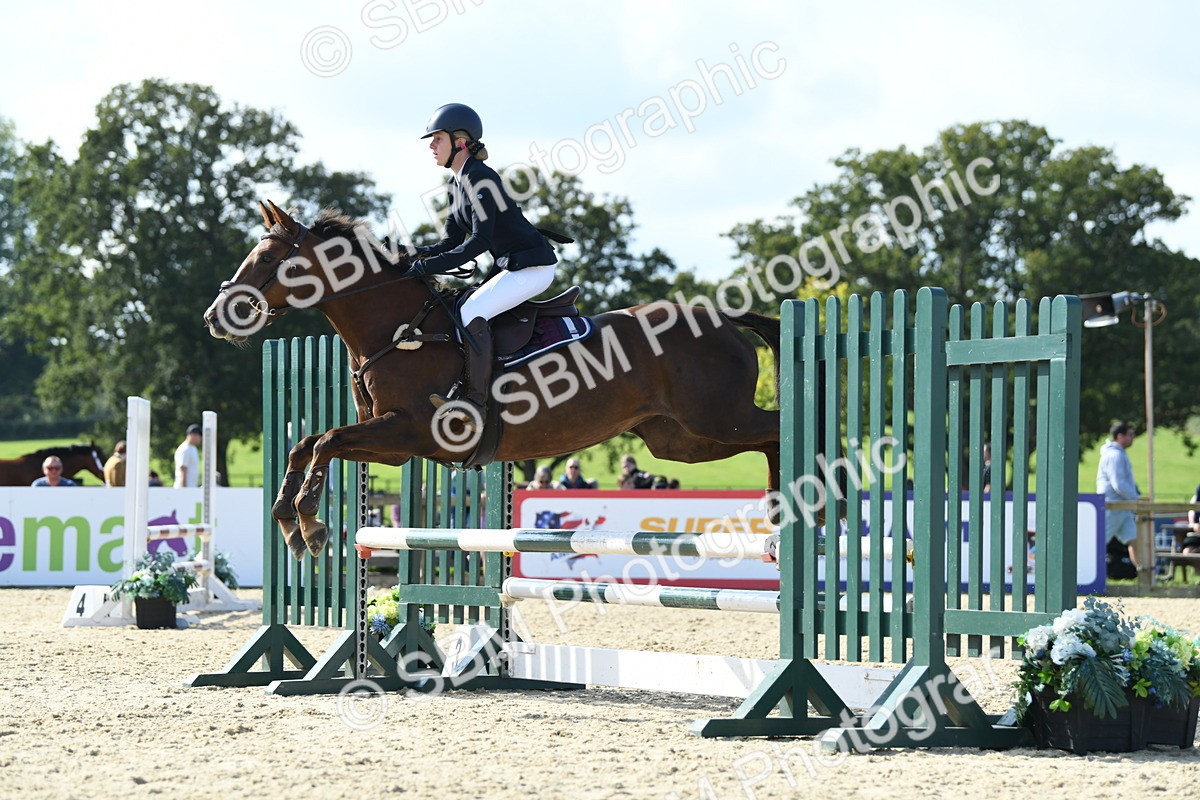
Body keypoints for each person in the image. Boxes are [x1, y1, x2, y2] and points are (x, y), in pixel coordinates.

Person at [404, 103, 560, 429]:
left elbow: (478, 243)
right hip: (511, 267)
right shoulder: (456, 185)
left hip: (532, 268)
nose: (431, 146)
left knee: (470, 312)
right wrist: (408, 255)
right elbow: (449, 243)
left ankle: (475, 402)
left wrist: (426, 268)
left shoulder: (480, 179)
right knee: (459, 307)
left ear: (460, 142)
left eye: (437, 139)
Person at [1096, 421, 1140, 571]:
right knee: (1098, 543)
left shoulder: (1118, 453)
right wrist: (1136, 498)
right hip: (1112, 506)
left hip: (1122, 507)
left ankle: (1146, 575)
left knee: (1135, 541)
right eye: (1130, 434)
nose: (1133, 437)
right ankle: (1086, 576)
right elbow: (1118, 483)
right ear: (1120, 436)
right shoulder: (1114, 455)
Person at [174, 423, 202, 488]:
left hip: (191, 489)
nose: (200, 439)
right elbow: (182, 470)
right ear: (193, 435)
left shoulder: (193, 449)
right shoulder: (185, 449)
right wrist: (184, 490)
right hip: (184, 489)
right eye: (200, 436)